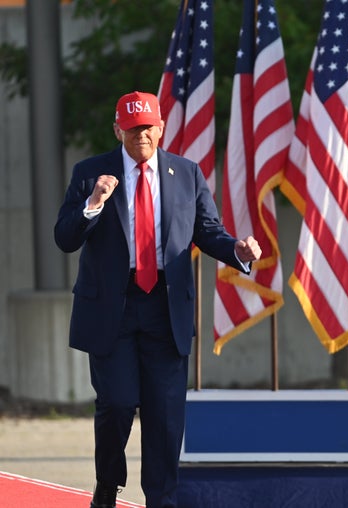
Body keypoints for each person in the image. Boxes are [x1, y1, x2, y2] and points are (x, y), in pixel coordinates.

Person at [54, 91, 261, 508]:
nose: (141, 135)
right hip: (114, 307)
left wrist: (236, 251)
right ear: (118, 130)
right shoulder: (91, 173)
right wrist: (93, 205)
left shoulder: (186, 173)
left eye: (148, 126)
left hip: (167, 308)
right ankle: (107, 485)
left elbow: (207, 230)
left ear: (161, 127)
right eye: (132, 129)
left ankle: (161, 499)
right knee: (116, 403)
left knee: (165, 415)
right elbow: (65, 237)